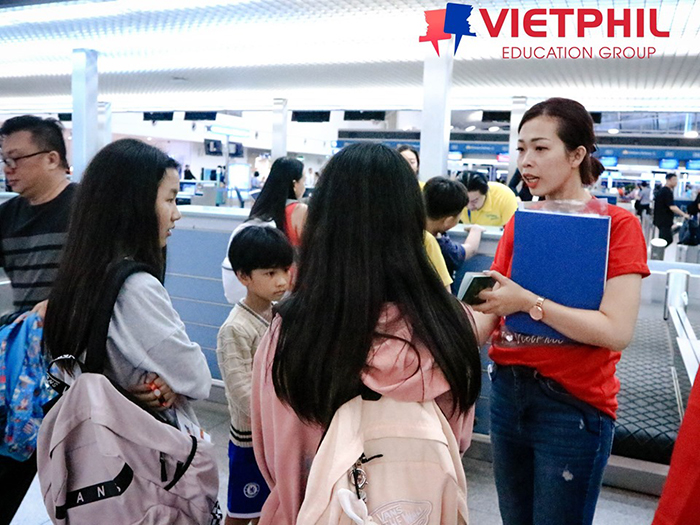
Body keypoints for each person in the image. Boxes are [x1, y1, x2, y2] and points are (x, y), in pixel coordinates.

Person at [251, 142, 482, 524]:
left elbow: (279, 458)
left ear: (322, 222)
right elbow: (456, 440)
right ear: (412, 220)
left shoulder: (295, 332)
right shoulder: (450, 325)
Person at [471, 97, 650, 525]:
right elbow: (485, 315)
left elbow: (616, 330)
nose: (525, 161)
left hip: (571, 405)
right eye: (520, 149)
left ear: (576, 155)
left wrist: (528, 303)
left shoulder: (618, 226)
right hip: (507, 395)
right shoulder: (521, 221)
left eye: (540, 148)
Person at [44, 138, 211, 433]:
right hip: (137, 445)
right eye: (170, 199)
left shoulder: (79, 274)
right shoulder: (134, 288)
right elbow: (197, 377)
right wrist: (170, 383)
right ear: (135, 205)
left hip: (89, 439)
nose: (177, 214)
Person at [0, 115, 75, 523]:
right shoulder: (7, 217)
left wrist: (59, 302)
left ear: (51, 158)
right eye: (3, 160)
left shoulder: (86, 210)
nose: (7, 169)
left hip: (78, 363)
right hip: (26, 367)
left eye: (16, 158)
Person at [217, 226, 293, 525]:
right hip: (250, 440)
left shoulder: (279, 315)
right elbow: (241, 391)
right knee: (241, 512)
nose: (282, 281)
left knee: (270, 508)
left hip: (277, 433)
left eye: (285, 270)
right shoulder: (235, 328)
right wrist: (280, 413)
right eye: (270, 273)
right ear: (243, 277)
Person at [221, 157, 306, 303]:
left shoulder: (261, 212)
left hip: (258, 291)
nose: (304, 186)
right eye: (303, 181)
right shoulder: (300, 211)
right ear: (294, 184)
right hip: (291, 289)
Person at [423, 176, 485, 278]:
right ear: (448, 221)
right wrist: (475, 230)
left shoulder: (410, 233)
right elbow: (470, 249)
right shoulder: (445, 249)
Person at [654, 173, 690, 246]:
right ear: (668, 180)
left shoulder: (663, 190)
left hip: (661, 219)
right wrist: (684, 214)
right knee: (666, 240)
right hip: (664, 220)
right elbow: (672, 207)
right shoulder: (667, 191)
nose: (676, 182)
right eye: (674, 180)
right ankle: (657, 252)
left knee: (665, 239)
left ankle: (659, 252)